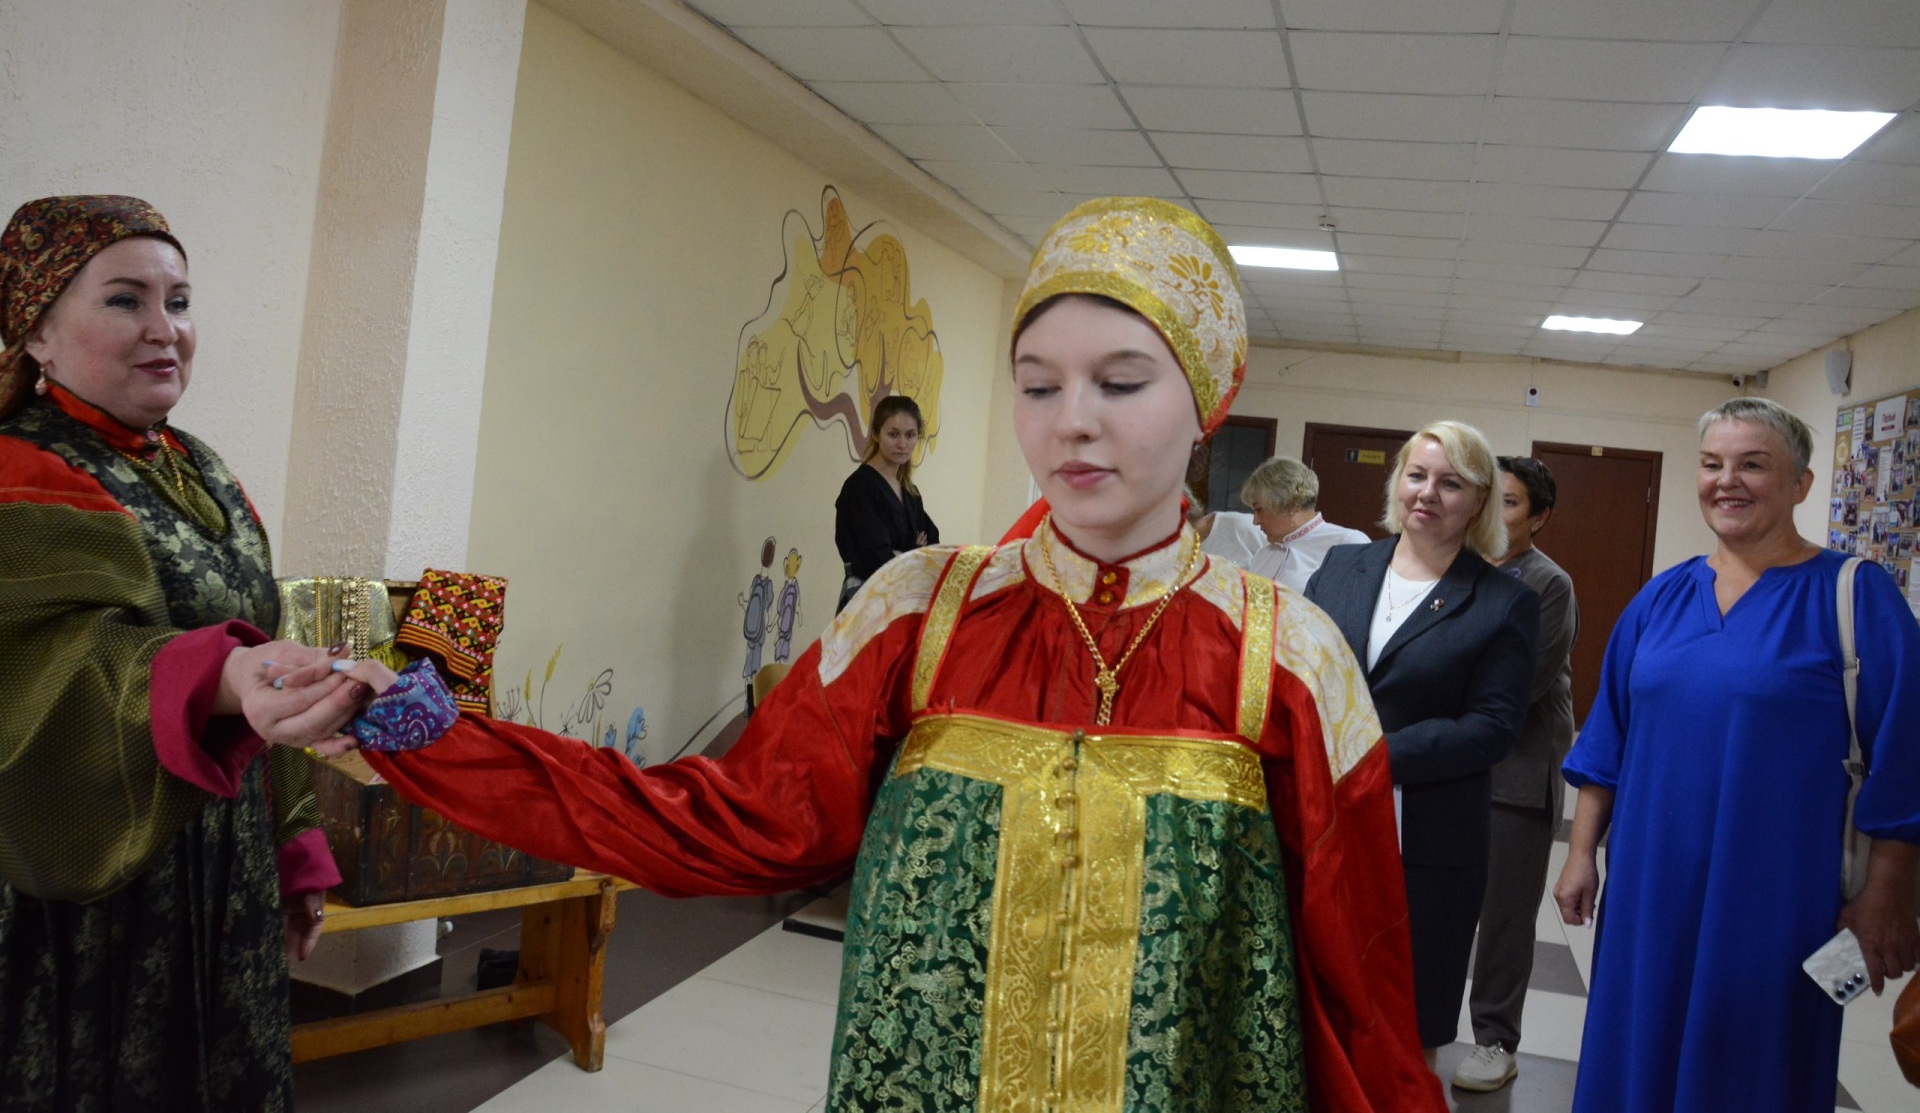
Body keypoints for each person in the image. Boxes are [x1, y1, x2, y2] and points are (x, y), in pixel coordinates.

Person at [352, 198, 1445, 1111]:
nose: (1071, 421)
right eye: (1037, 383)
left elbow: (1361, 996)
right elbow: (724, 820)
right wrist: (437, 739)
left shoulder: (1289, 659)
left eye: (1120, 383)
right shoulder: (920, 613)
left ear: (1204, 404)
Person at [0, 195, 386, 1109]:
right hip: (91, 875)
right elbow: (49, 669)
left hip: (223, 860)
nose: (164, 328)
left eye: (178, 301)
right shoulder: (24, 471)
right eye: (124, 300)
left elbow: (258, 637)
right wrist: (218, 673)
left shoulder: (198, 467)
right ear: (37, 333)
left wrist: (291, 841)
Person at [1554, 398, 1920, 1113]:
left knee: (1756, 1060)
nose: (1728, 480)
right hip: (1650, 887)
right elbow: (1608, 740)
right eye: (1712, 463)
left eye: (1753, 464)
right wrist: (1580, 853)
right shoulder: (1660, 599)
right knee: (1637, 1044)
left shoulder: (1854, 597)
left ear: (1800, 483)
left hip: (1781, 895)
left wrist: (1886, 895)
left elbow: (1906, 757)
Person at [1303, 422, 1538, 1063]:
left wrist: (1374, 757)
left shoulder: (1502, 602)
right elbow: (1296, 671)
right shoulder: (1342, 567)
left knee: (1404, 1023)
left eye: (1451, 483)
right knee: (1314, 1007)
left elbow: (1493, 726)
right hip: (1320, 817)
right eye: (1417, 475)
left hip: (1427, 837)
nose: (1428, 493)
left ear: (1480, 501)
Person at [1452, 456, 1577, 1092]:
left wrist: (1438, 680)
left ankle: (1495, 1041)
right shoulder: (1455, 567)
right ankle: (1420, 1025)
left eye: (1511, 502)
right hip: (1448, 764)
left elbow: (1517, 684)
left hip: (1517, 771)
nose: (1495, 514)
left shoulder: (1548, 585)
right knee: (1437, 906)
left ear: (1540, 517)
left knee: (1503, 916)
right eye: (1489, 499)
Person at [833, 394, 938, 611]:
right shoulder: (859, 488)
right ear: (875, 434)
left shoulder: (910, 492)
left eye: (910, 435)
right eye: (893, 434)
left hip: (904, 602)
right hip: (866, 601)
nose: (902, 444)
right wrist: (911, 551)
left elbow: (932, 546)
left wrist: (902, 554)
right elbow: (876, 560)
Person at [1237, 456, 1370, 591]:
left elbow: (1365, 598)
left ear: (1289, 506)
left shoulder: (1346, 543)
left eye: (1259, 509)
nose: (1255, 521)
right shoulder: (1263, 555)